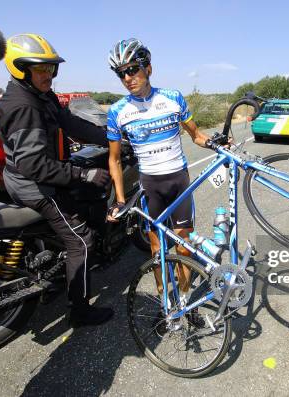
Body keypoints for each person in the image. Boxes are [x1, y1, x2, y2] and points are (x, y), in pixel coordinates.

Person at [0, 34, 113, 327]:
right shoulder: (25, 107)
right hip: (34, 184)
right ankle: (81, 310)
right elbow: (34, 164)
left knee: (79, 197)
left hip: (27, 175)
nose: (48, 74)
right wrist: (83, 173)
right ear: (21, 68)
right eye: (41, 69)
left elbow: (69, 122)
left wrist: (110, 137)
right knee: (81, 241)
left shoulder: (38, 94)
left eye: (51, 68)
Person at [105, 38, 214, 327]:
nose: (127, 78)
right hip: (150, 186)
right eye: (121, 73)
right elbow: (114, 160)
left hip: (179, 182)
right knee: (157, 251)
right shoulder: (117, 112)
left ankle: (187, 304)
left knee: (184, 248)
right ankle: (167, 304)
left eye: (132, 69)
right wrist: (119, 199)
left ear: (148, 68)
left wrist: (216, 143)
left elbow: (197, 136)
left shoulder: (173, 98)